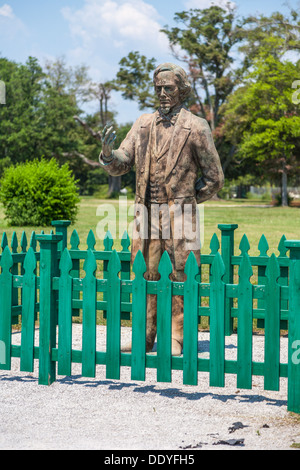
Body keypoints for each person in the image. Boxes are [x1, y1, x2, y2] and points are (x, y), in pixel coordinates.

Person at [99, 62, 224, 355]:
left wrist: (187, 203)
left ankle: (178, 336)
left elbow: (215, 178)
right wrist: (108, 155)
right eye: (158, 88)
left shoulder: (196, 126)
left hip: (181, 216)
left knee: (181, 273)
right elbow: (122, 161)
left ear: (182, 90)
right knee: (145, 273)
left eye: (169, 88)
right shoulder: (142, 124)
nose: (163, 93)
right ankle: (144, 336)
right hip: (146, 213)